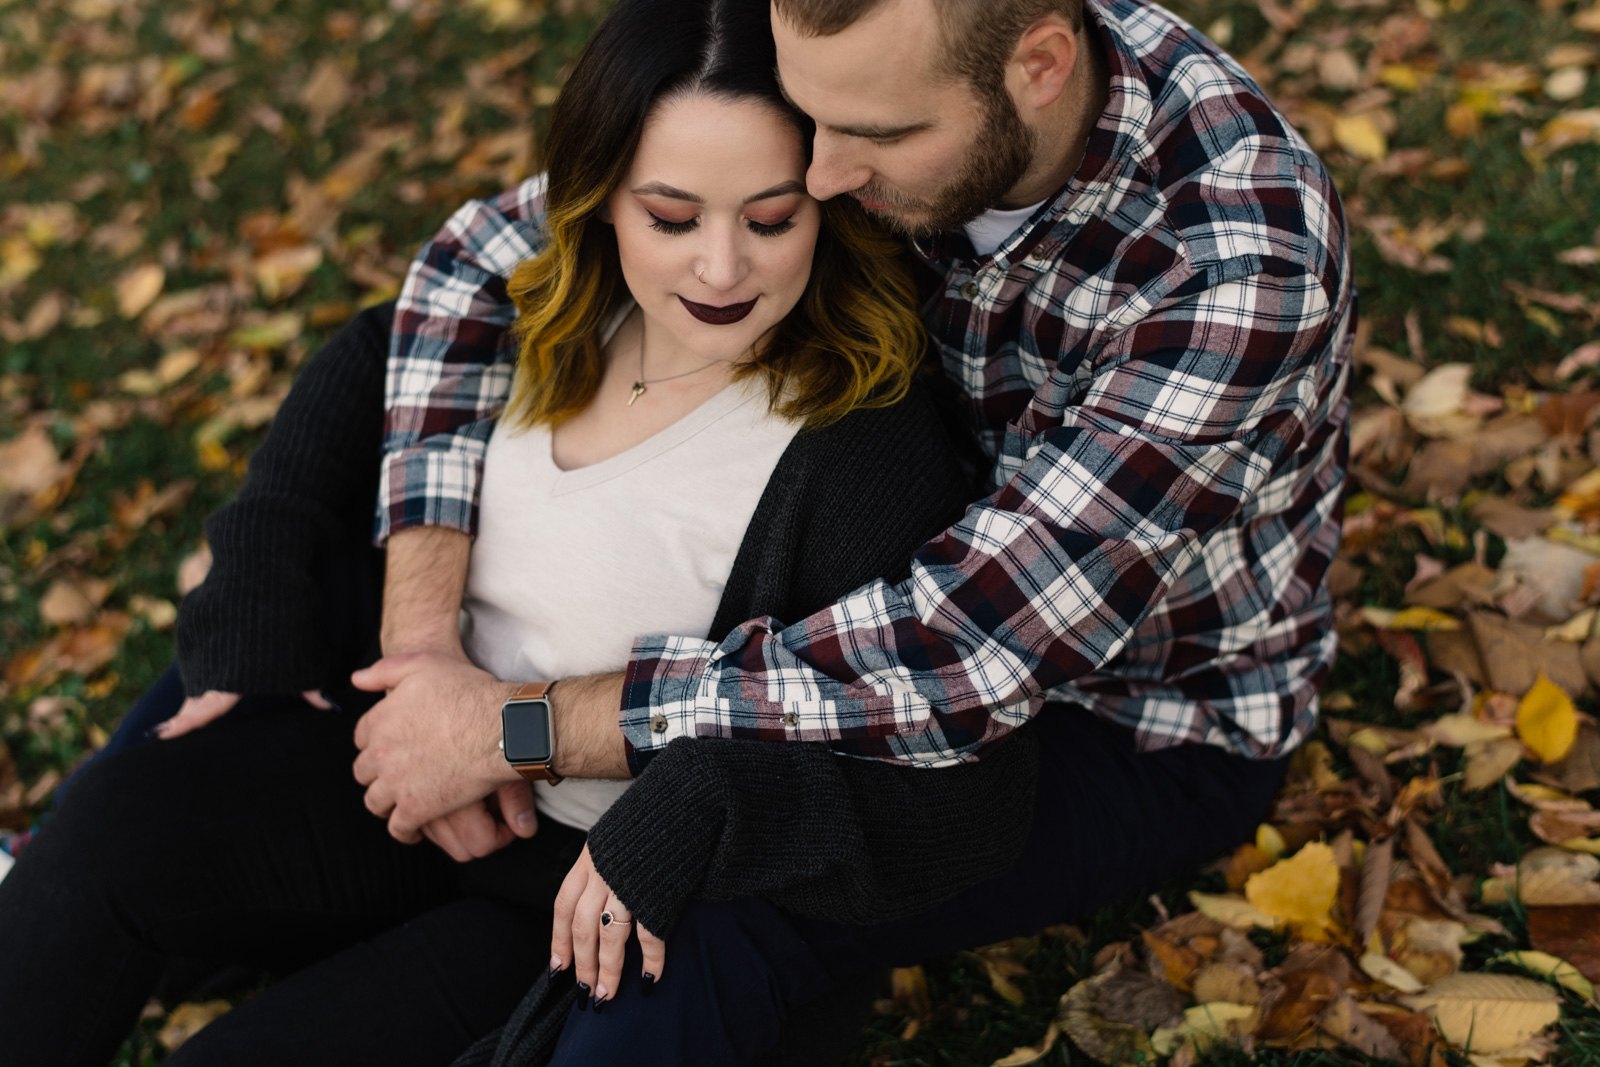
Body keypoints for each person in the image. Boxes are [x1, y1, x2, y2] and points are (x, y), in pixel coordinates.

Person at [0, 3, 1042, 1063]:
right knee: (102, 836)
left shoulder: (865, 445)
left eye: (769, 219)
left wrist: (685, 802)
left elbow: (940, 778)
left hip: (568, 884)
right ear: (595, 202)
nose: (722, 270)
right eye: (670, 218)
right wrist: (265, 613)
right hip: (393, 767)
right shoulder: (543, 305)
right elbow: (369, 361)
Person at [340, 0, 1351, 1060]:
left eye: (874, 137)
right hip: (840, 579)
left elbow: (957, 658)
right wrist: (421, 646)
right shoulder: (854, 58)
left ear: (1040, 67)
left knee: (732, 893)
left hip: (1121, 717)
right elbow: (475, 259)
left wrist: (512, 728)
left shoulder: (1235, 267)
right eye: (811, 122)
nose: (819, 175)